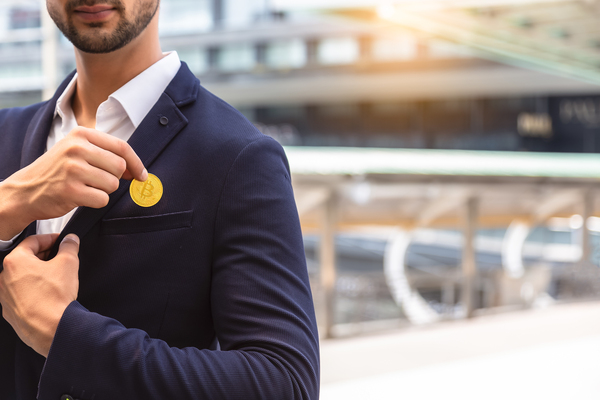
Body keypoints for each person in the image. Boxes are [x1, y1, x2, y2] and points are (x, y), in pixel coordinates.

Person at [0, 0, 320, 399]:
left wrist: (65, 335)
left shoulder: (238, 155)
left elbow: (284, 382)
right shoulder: (4, 134)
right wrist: (8, 205)